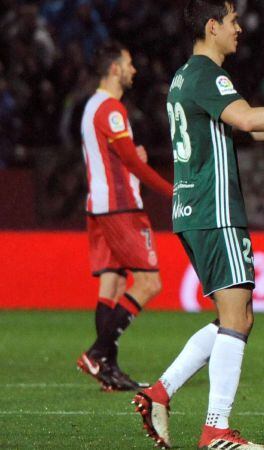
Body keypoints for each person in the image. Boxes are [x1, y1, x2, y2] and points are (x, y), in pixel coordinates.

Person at [131, 1, 264, 449]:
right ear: (212, 26)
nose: (239, 29)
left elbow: (241, 129)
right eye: (231, 21)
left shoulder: (184, 77)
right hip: (217, 210)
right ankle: (216, 430)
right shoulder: (209, 74)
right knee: (237, 315)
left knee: (235, 317)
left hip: (192, 210)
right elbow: (247, 117)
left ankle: (160, 392)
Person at [77, 41, 174, 392]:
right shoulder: (112, 109)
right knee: (150, 283)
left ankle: (108, 370)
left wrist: (132, 157)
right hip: (121, 208)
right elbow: (130, 162)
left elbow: (118, 158)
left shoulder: (91, 107)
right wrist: (170, 190)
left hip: (99, 206)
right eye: (129, 64)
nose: (134, 70)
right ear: (115, 68)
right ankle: (97, 352)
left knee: (113, 285)